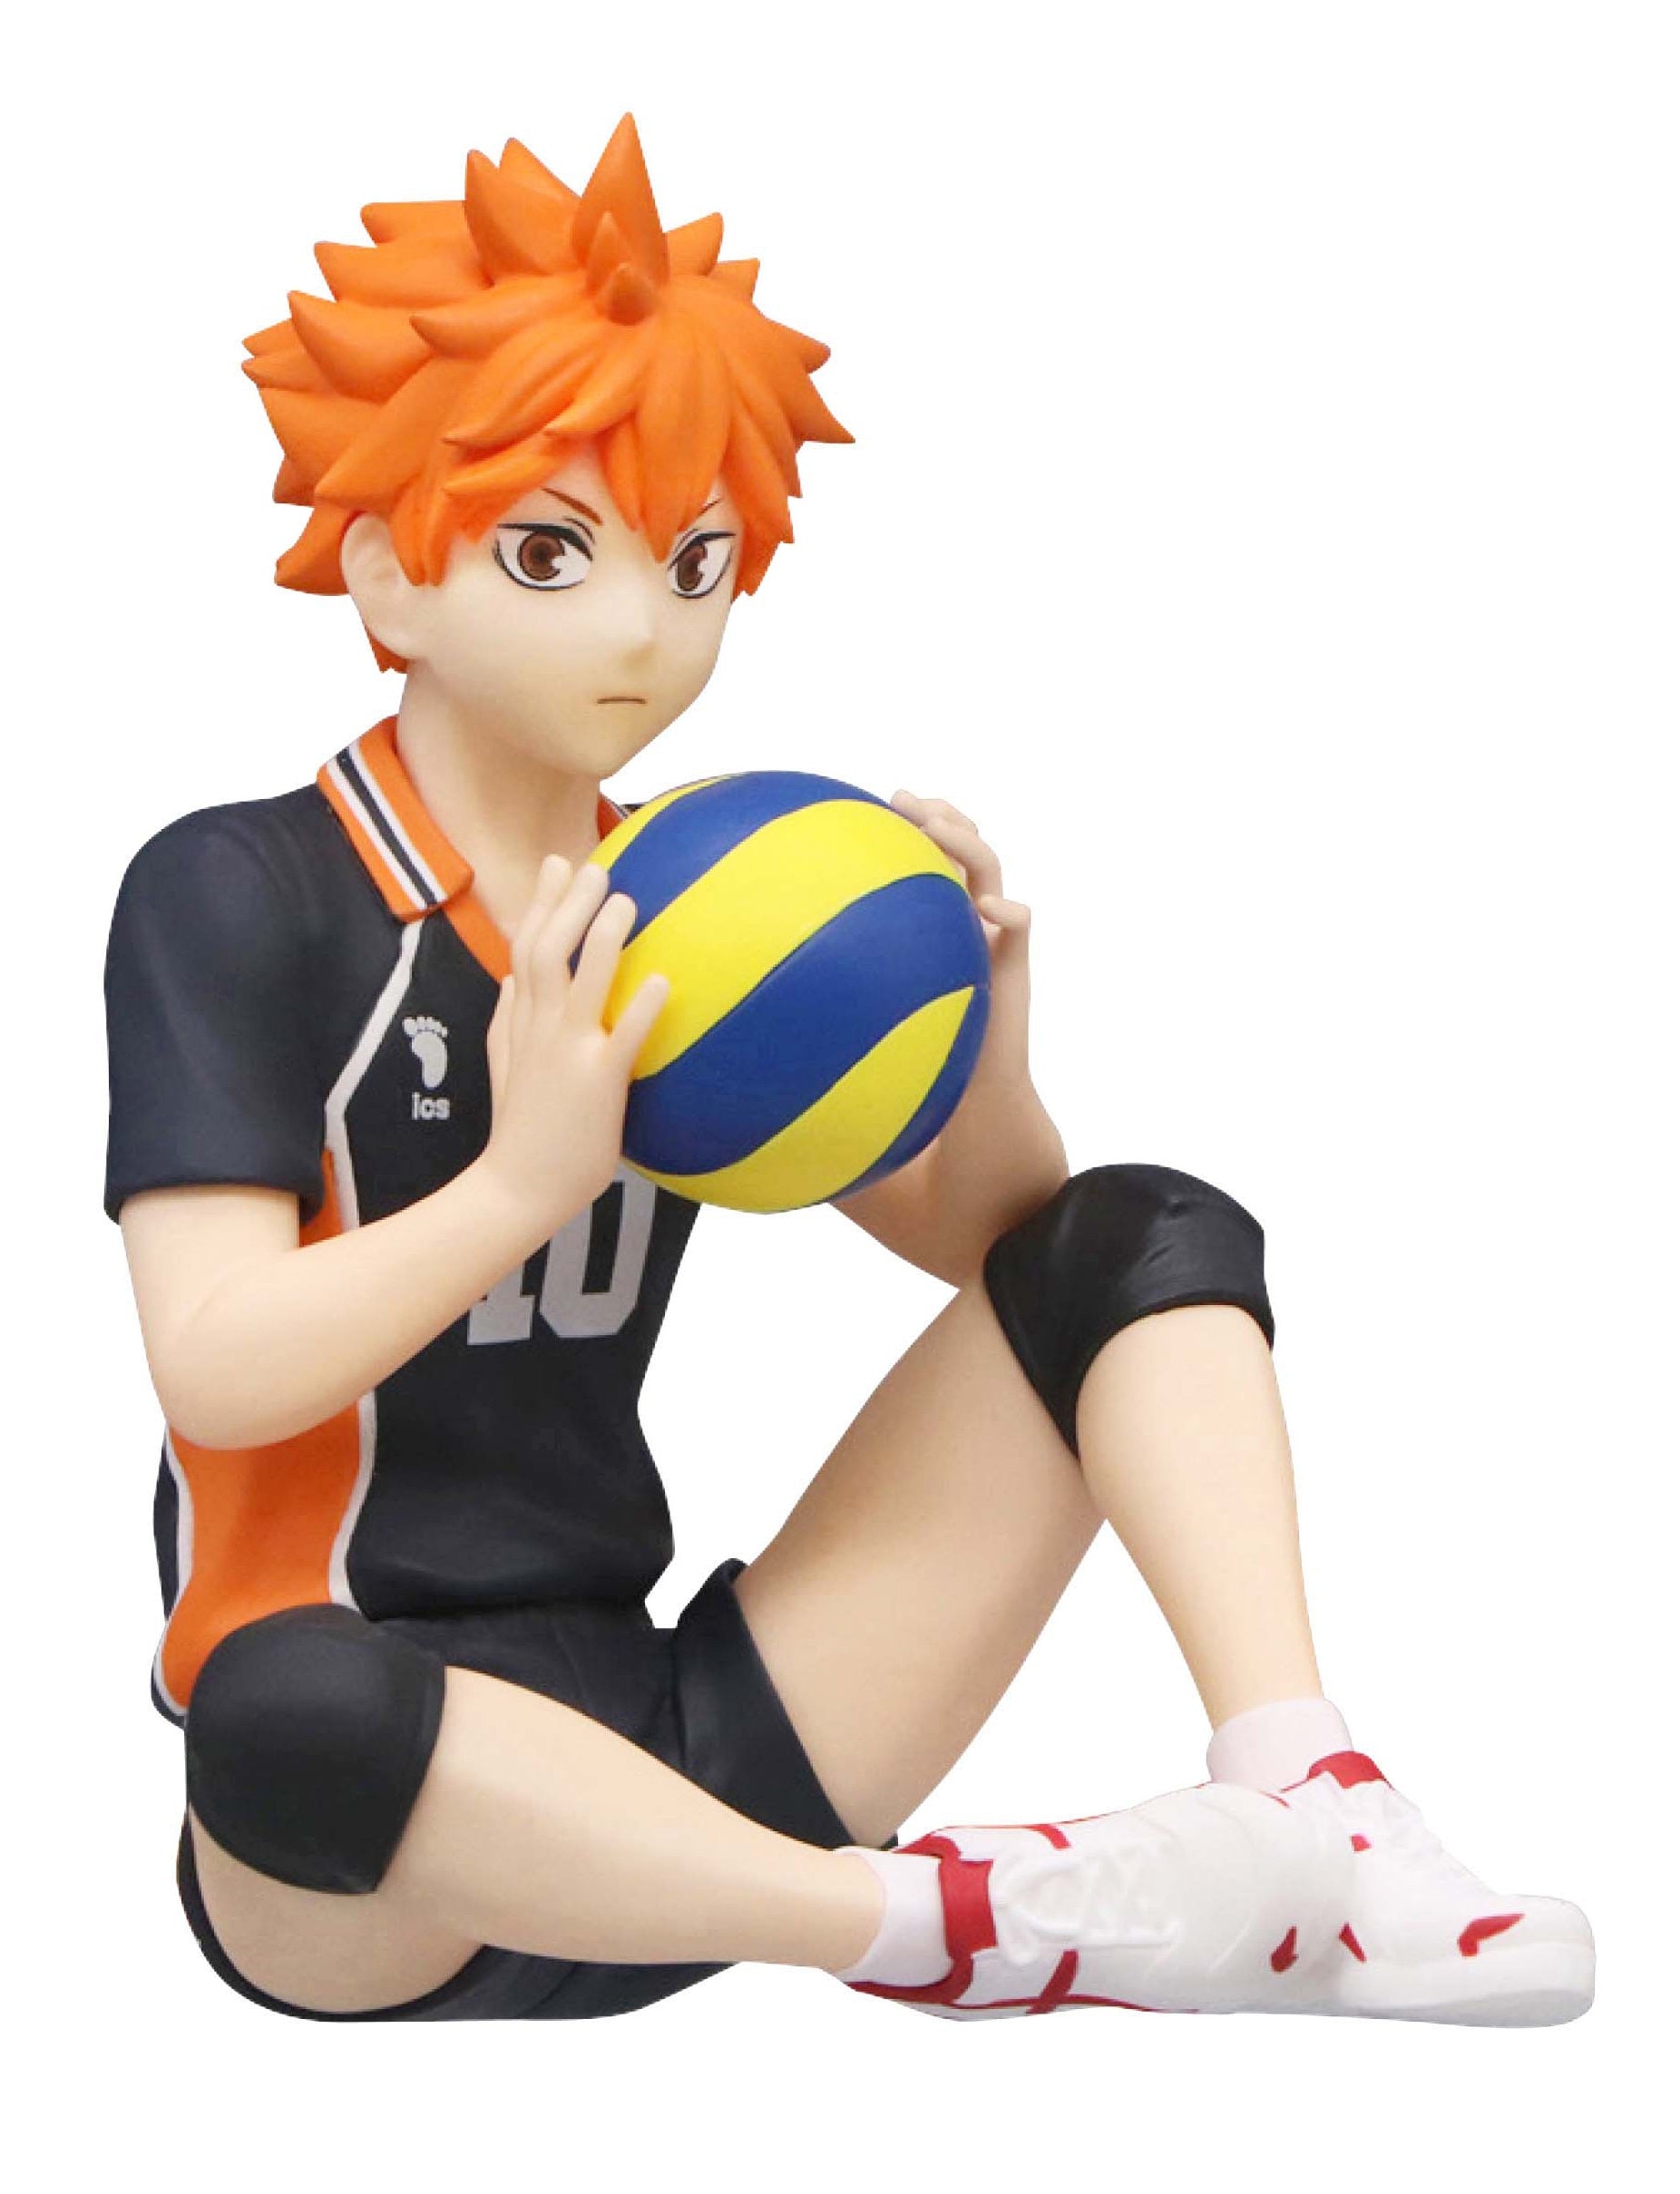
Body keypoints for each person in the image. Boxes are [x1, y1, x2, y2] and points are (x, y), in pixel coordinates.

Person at [105, 117, 1592, 2026]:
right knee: (278, 1702)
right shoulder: (241, 889)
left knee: (1139, 1233)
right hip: (379, 1852)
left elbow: (1000, 1245)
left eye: (696, 561)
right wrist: (518, 1184)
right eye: (552, 552)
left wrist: (975, 1037)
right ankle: (962, 1927)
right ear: (389, 577)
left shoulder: (706, 895)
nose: (642, 627)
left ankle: (1317, 1808)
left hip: (695, 1752)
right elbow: (214, 1364)